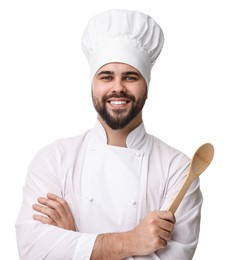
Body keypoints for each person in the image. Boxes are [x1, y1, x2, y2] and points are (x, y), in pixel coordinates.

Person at [15, 9, 203, 260]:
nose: (118, 87)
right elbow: (32, 250)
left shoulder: (178, 170)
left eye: (130, 77)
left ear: (146, 84)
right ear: (93, 84)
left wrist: (73, 240)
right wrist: (132, 242)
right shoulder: (54, 159)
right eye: (106, 76)